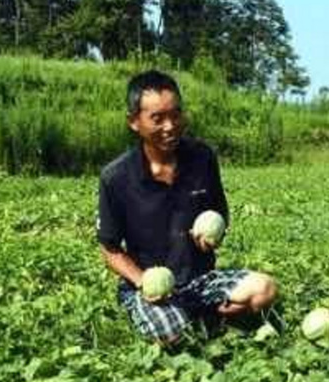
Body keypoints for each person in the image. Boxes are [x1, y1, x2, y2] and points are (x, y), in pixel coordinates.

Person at [97, 70, 276, 344]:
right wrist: (142, 280)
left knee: (264, 290)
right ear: (134, 122)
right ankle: (198, 319)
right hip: (152, 287)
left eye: (176, 114)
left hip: (201, 280)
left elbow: (220, 212)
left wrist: (214, 235)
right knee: (170, 333)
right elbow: (110, 249)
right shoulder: (116, 177)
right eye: (157, 118)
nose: (170, 126)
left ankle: (197, 314)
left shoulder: (202, 158)